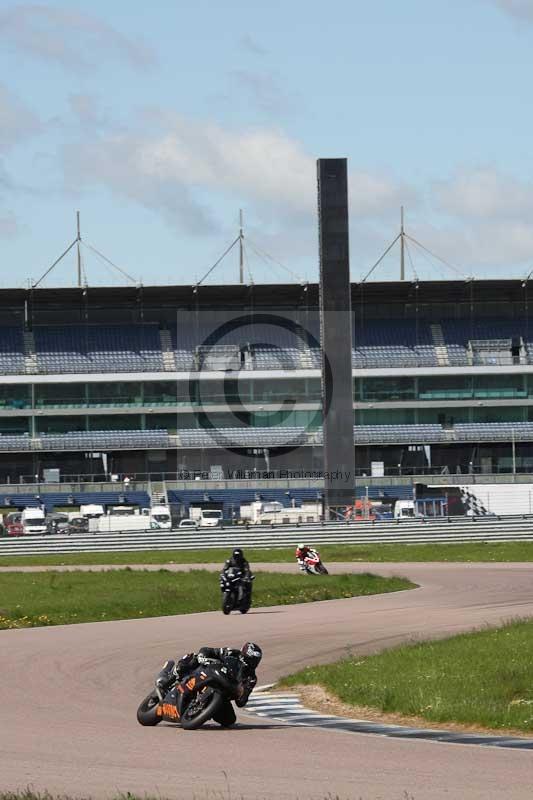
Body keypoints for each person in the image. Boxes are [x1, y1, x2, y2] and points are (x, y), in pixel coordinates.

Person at [155, 642, 263, 711]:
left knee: (229, 720)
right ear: (245, 655)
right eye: (251, 660)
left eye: (255, 661)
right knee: (192, 658)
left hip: (223, 692)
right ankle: (168, 680)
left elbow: (241, 702)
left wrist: (242, 693)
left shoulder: (251, 679)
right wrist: (203, 656)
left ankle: (201, 710)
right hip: (210, 672)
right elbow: (208, 650)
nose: (253, 663)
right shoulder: (232, 653)